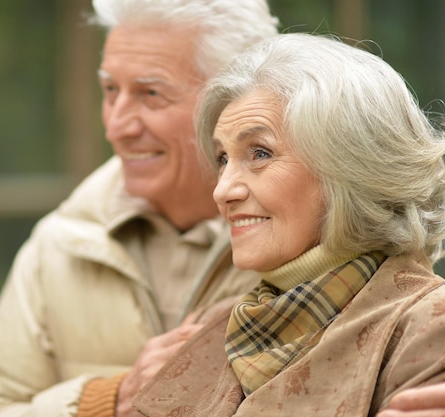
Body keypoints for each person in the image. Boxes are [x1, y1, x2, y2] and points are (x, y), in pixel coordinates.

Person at [0, 1, 278, 416]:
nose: (117, 126)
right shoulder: (63, 243)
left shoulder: (314, 234)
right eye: (110, 91)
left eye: (151, 94)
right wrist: (109, 401)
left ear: (235, 101)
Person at [131, 32, 445, 417]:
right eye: (223, 158)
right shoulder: (216, 325)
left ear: (350, 167)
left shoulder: (430, 324)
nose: (222, 189)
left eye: (259, 153)